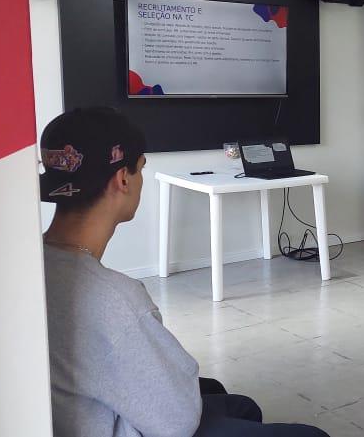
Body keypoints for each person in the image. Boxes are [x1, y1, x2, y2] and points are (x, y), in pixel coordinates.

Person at [40, 107, 329, 437]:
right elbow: (177, 421)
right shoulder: (113, 298)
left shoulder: (32, 268)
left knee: (239, 404)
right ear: (122, 179)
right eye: (140, 169)